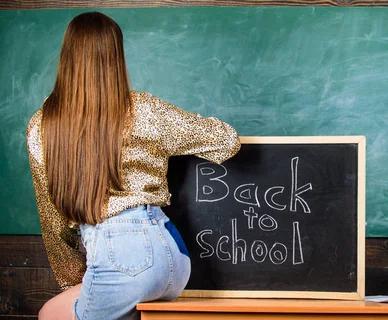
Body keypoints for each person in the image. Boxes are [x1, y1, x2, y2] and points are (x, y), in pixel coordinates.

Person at [26, 11, 240, 320]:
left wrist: (71, 277)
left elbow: (54, 222)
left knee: (48, 315)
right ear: (116, 56)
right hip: (174, 260)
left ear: (66, 56)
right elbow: (227, 140)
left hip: (120, 256)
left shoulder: (42, 127)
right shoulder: (144, 111)